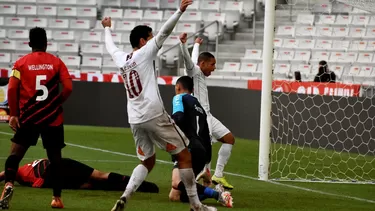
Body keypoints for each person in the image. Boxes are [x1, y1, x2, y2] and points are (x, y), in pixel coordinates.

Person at [102, 1, 216, 210]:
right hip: (153, 114)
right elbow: (165, 32)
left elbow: (110, 47)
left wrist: (107, 28)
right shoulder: (144, 53)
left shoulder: (121, 58)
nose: (155, 38)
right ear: (143, 41)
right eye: (151, 36)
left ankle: (126, 195)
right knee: (184, 155)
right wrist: (179, 11)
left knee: (148, 161)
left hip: (134, 119)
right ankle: (196, 205)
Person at [0, 27, 73, 209]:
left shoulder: (20, 63)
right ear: (46, 42)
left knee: (15, 155)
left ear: (30, 43)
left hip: (29, 117)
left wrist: (14, 114)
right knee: (55, 159)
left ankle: (8, 183)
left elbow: (11, 89)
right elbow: (69, 88)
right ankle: (56, 198)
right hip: (52, 118)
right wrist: (56, 103)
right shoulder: (57, 63)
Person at [180, 33, 235, 190]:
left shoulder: (199, 71)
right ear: (203, 64)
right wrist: (183, 45)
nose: (214, 68)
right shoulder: (194, 72)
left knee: (229, 139)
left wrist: (196, 44)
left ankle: (218, 175)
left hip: (209, 116)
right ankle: (206, 180)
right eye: (212, 64)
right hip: (201, 117)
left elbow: (195, 59)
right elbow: (188, 61)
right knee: (206, 148)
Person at [169, 76, 233, 208]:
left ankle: (217, 195)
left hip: (187, 147)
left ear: (178, 88)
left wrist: (167, 125)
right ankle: (212, 192)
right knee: (175, 196)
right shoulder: (200, 108)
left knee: (176, 182)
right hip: (201, 152)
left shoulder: (178, 97)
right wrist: (206, 161)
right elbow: (206, 136)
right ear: (193, 89)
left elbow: (178, 117)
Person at [0, 158, 159, 193]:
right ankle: (142, 185)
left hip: (51, 177)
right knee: (99, 176)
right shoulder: (23, 168)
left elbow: (5, 174)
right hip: (57, 165)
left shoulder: (20, 172)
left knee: (92, 184)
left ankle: (143, 187)